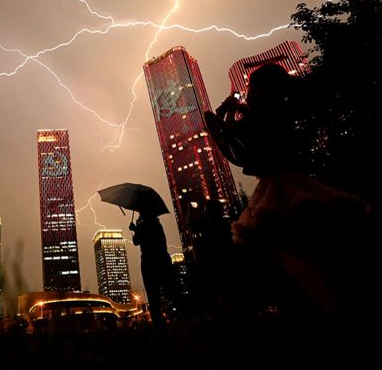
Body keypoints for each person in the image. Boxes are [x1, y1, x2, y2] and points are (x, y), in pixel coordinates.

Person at [205, 63, 369, 309]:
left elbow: (232, 137)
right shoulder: (282, 110)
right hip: (295, 179)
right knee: (302, 243)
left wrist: (228, 111)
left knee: (286, 248)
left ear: (261, 90)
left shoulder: (264, 114)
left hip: (279, 185)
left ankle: (318, 300)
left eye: (251, 89)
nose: (247, 93)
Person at [130, 211, 175, 326]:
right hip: (163, 259)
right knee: (168, 290)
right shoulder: (157, 224)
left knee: (153, 294)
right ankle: (175, 319)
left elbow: (136, 241)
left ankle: (159, 324)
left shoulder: (143, 225)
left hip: (149, 262)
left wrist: (135, 229)